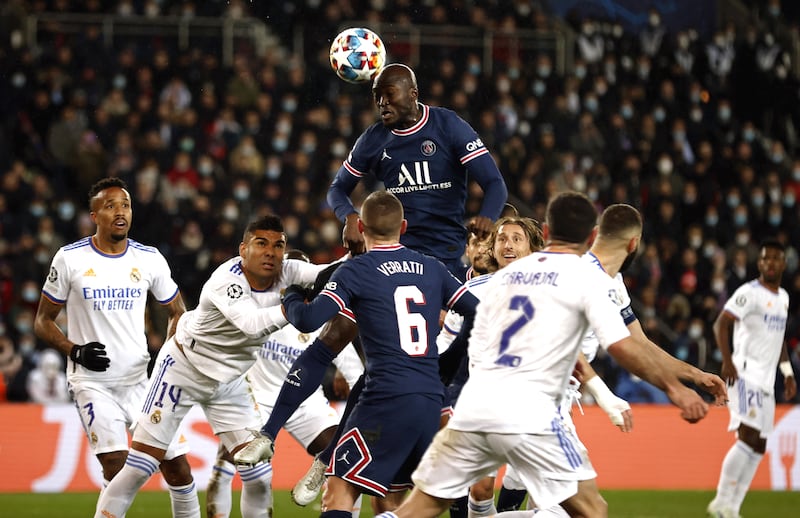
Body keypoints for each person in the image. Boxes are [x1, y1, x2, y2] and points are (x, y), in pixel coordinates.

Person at [372, 191, 728, 518]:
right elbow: (624, 346)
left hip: (476, 405)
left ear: (545, 230)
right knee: (590, 511)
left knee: (420, 508)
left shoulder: (508, 275)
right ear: (594, 237)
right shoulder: (587, 278)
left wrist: (691, 376)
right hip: (534, 408)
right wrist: (675, 389)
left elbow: (471, 342)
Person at [235, 191, 481, 518]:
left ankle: (318, 457)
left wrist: (292, 295)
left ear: (361, 227)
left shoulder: (357, 271)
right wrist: (447, 365)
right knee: (416, 500)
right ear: (403, 226)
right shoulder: (431, 269)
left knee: (338, 492)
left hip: (384, 402)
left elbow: (308, 320)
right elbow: (481, 313)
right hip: (430, 403)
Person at [93, 215, 337, 518]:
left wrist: (363, 252)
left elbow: (325, 273)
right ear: (243, 249)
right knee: (140, 467)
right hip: (183, 370)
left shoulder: (288, 270)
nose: (271, 252)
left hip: (230, 384)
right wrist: (294, 307)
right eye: (261, 244)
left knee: (259, 475)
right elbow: (251, 325)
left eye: (278, 246)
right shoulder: (227, 279)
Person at [33, 177, 199, 516]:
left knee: (179, 470)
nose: (120, 213)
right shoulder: (70, 259)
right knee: (119, 467)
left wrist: (167, 358)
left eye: (125, 205)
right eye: (110, 206)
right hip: (93, 384)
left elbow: (177, 312)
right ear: (95, 215)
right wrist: (73, 350)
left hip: (142, 383)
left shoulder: (149, 259)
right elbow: (42, 320)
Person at [205, 250, 364, 518]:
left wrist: (346, 380)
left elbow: (355, 373)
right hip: (257, 401)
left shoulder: (321, 317)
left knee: (342, 463)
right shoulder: (259, 311)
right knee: (244, 471)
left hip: (307, 405)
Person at [327, 62, 508, 280]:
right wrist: (350, 217)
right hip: (399, 255)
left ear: (413, 94)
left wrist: (488, 216)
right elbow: (337, 188)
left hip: (449, 253)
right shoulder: (373, 139)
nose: (382, 102)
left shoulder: (447, 125)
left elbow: (494, 183)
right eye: (377, 96)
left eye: (389, 94)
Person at [707, 238, 796, 518]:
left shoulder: (783, 298)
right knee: (747, 438)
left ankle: (732, 508)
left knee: (759, 445)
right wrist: (727, 359)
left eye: (775, 259)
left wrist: (788, 372)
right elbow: (721, 323)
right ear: (759, 263)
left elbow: (779, 338)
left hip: (768, 380)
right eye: (765, 258)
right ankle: (720, 503)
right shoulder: (749, 293)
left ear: (783, 263)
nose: (770, 263)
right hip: (745, 373)